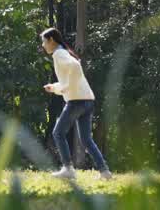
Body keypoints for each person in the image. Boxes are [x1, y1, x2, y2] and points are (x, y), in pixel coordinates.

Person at [41, 27, 113, 181]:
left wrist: (65, 87)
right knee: (86, 140)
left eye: (44, 41)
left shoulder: (59, 54)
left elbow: (75, 67)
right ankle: (105, 172)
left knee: (58, 133)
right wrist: (54, 87)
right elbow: (72, 75)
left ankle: (68, 169)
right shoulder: (64, 52)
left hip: (76, 101)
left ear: (51, 40)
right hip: (87, 100)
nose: (43, 45)